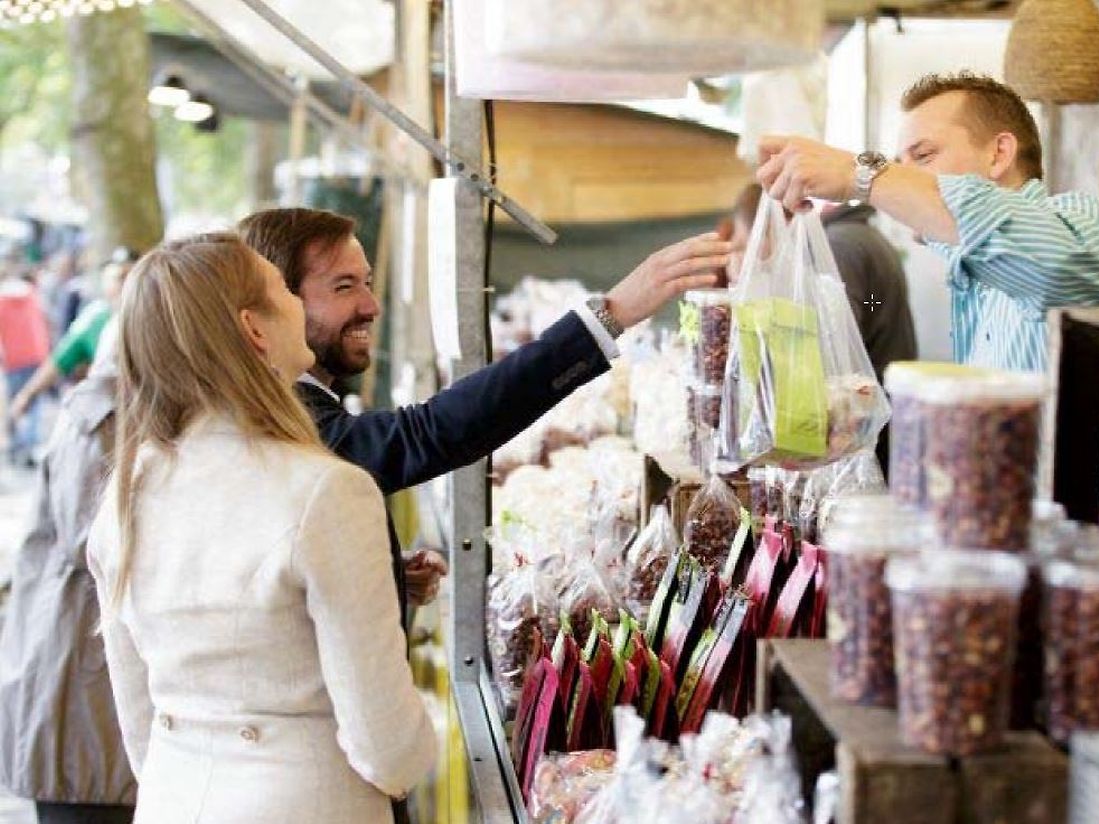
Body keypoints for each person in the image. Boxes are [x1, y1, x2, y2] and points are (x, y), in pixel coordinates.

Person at [86, 233, 435, 823]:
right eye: (282, 289)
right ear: (254, 329)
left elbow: (139, 721)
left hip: (173, 800)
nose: (298, 303)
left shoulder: (126, 495)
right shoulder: (327, 491)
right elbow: (388, 747)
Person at [238, 208, 730, 622]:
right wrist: (609, 315)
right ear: (272, 311)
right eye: (344, 286)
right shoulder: (284, 417)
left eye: (367, 282)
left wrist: (379, 571)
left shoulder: (285, 409)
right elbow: (427, 433)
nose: (371, 305)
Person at [756, 71, 1099, 377]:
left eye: (923, 156)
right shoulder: (972, 278)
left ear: (998, 154)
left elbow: (1051, 264)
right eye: (902, 165)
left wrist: (857, 173)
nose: (908, 179)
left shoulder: (1091, 221)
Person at [0, 325, 135, 824]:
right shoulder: (104, 414)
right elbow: (93, 541)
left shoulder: (117, 409)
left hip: (90, 707)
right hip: (82, 707)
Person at [728, 182, 918, 384]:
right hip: (889, 390)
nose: (742, 258)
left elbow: (832, 346)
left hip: (874, 404)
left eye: (742, 245)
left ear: (773, 226)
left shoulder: (840, 247)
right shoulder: (859, 235)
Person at [10, 251, 137, 422]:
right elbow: (60, 360)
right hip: (113, 416)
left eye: (129, 275)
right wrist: (27, 394)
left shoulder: (157, 317)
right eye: (118, 277)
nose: (123, 284)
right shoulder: (95, 318)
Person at [0, 266, 51, 465]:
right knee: (33, 404)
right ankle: (29, 445)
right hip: (36, 356)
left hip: (13, 359)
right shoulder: (33, 297)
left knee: (15, 402)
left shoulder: (2, 301)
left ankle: (15, 445)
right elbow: (43, 325)